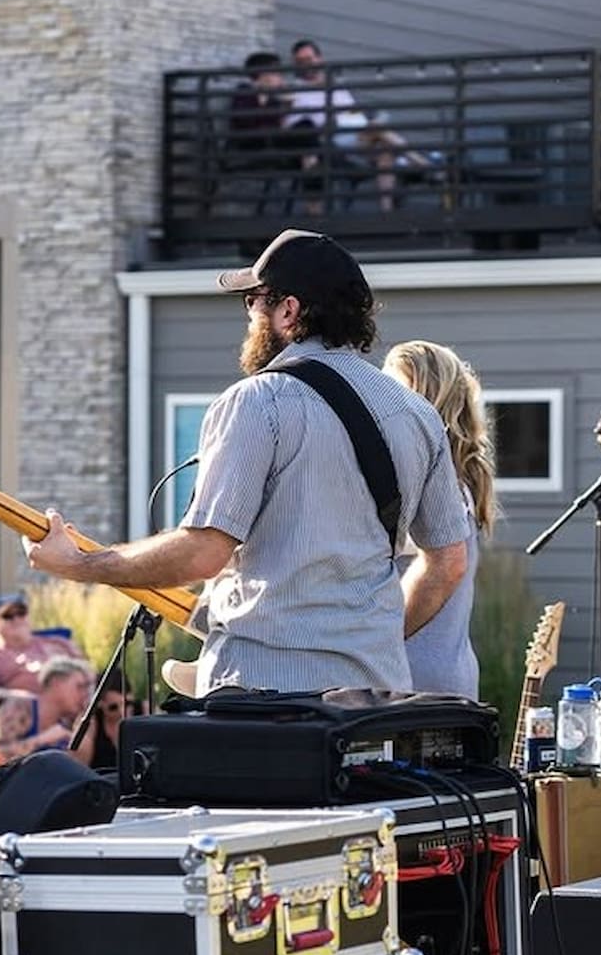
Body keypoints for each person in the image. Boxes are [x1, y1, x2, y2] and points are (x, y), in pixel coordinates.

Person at [25, 228, 469, 696]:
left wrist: (81, 564)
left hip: (263, 693)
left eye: (253, 301)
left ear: (288, 311)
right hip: (375, 693)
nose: (249, 316)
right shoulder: (416, 414)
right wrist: (374, 642)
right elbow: (449, 563)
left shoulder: (257, 401)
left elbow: (203, 553)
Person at [382, 340, 496, 701]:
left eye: (393, 394)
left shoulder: (431, 488)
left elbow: (445, 567)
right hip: (445, 678)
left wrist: (377, 642)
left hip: (413, 687)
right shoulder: (456, 483)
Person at [286, 38, 435, 212]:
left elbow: (352, 111)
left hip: (357, 134)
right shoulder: (296, 92)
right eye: (300, 61)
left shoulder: (335, 85)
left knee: (385, 151)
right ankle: (422, 164)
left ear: (319, 59)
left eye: (309, 59)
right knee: (376, 129)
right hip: (332, 140)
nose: (306, 65)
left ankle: (387, 211)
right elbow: (293, 125)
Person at [0, 657, 96, 825]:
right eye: (80, 687)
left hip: (24, 807)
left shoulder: (68, 725)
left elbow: (78, 775)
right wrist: (43, 739)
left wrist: (86, 735)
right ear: (56, 683)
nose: (85, 695)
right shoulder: (21, 706)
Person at [0, 591, 83, 708]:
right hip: (24, 715)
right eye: (8, 616)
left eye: (21, 613)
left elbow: (87, 673)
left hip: (79, 708)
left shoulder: (59, 643)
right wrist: (27, 700)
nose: (16, 619)